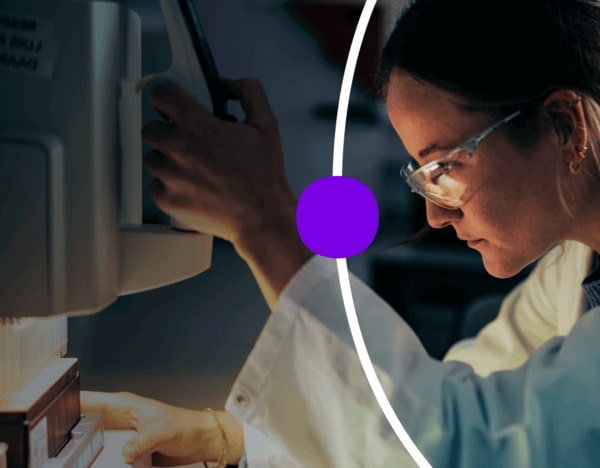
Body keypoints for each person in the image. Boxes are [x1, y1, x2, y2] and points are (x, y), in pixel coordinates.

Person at [82, 0, 600, 466]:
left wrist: (262, 222)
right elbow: (464, 405)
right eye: (423, 178)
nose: (437, 218)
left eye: (444, 168)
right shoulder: (571, 272)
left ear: (565, 125)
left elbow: (463, 449)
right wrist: (225, 439)